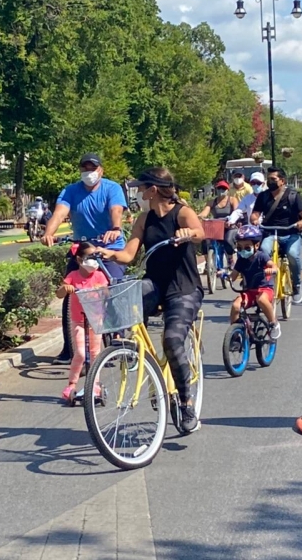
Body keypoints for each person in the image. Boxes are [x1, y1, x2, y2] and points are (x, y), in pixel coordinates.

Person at [98, 167, 205, 433]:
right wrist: (106, 254)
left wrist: (187, 234)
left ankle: (186, 402)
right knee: (125, 294)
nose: (138, 192)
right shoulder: (144, 219)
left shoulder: (182, 212)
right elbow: (129, 254)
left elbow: (200, 232)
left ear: (153, 189)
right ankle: (125, 346)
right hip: (155, 284)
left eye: (141, 187)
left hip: (184, 288)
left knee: (171, 340)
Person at [42, 153, 127, 362]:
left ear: (101, 171)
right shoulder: (71, 191)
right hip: (82, 249)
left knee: (113, 289)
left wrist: (115, 228)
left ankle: (119, 340)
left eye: (93, 168)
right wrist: (49, 233)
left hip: (109, 248)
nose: (89, 172)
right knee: (70, 290)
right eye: (85, 168)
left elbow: (116, 209)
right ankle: (69, 347)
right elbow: (60, 213)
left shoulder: (112, 188)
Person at [55, 242, 110, 402]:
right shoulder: (73, 276)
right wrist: (65, 289)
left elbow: (107, 293)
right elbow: (60, 293)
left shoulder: (99, 275)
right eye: (89, 258)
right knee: (80, 352)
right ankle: (72, 384)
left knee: (95, 353)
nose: (93, 262)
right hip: (78, 319)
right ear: (79, 260)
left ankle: (95, 385)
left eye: (95, 258)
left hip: (95, 318)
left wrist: (103, 290)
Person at [250, 167, 302, 302]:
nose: (270, 182)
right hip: (270, 232)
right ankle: (263, 283)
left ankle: (296, 284)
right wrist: (254, 219)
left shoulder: (293, 196)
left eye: (273, 179)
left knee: (292, 254)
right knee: (264, 250)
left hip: (291, 233)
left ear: (282, 181)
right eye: (269, 179)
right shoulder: (263, 196)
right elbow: (255, 213)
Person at [225, 225, 280, 339]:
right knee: (236, 306)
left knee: (262, 300)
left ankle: (274, 323)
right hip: (249, 291)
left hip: (265, 290)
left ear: (256, 245)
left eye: (247, 247)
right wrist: (226, 276)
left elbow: (273, 266)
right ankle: (235, 334)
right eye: (239, 248)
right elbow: (234, 275)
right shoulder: (240, 260)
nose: (243, 251)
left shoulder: (261, 256)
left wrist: (272, 269)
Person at [199, 180, 238, 266]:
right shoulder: (212, 202)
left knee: (228, 240)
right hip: (216, 226)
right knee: (205, 240)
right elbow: (205, 212)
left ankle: (230, 257)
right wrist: (199, 216)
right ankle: (208, 262)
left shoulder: (232, 200)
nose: (221, 191)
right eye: (219, 188)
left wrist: (231, 221)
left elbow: (236, 212)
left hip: (229, 226)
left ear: (227, 190)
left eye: (223, 189)